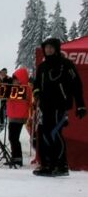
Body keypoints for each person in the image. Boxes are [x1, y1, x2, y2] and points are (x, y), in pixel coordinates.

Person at [32, 37, 86, 177]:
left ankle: (61, 165)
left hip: (60, 105)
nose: (48, 50)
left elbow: (76, 84)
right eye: (46, 47)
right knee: (44, 134)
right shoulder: (42, 66)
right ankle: (48, 164)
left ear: (56, 48)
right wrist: (37, 94)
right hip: (45, 106)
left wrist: (80, 105)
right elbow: (36, 84)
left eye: (51, 47)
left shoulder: (65, 64)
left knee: (54, 133)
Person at [5, 67, 33, 168]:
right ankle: (15, 158)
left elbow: (29, 103)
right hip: (13, 116)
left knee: (13, 138)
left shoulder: (26, 89)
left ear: (20, 79)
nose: (14, 81)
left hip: (19, 117)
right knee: (12, 138)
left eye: (16, 79)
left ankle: (17, 159)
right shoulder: (16, 88)